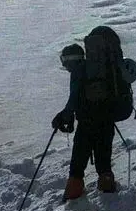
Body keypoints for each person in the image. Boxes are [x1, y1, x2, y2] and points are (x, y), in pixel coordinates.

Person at [52, 26, 121, 200]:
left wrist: (65, 115)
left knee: (78, 162)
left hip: (87, 123)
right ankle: (109, 195)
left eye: (64, 62)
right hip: (107, 118)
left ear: (69, 60)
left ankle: (73, 196)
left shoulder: (78, 71)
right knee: (103, 159)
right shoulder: (99, 69)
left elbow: (74, 97)